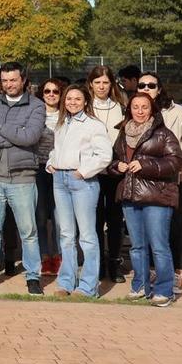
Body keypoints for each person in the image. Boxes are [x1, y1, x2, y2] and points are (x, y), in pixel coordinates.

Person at [0, 62, 46, 295]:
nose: (8, 85)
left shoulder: (36, 105)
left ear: (23, 79)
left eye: (13, 80)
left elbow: (31, 136)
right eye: (4, 81)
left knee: (28, 231)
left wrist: (0, 127)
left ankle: (33, 276)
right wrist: (16, 134)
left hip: (22, 178)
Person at [112, 91, 182, 307]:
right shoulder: (123, 133)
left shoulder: (163, 133)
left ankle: (164, 290)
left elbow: (175, 161)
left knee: (159, 246)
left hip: (157, 197)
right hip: (130, 195)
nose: (140, 111)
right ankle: (140, 285)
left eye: (144, 107)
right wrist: (118, 166)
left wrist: (146, 165)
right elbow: (114, 159)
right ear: (129, 109)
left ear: (152, 109)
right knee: (137, 246)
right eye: (135, 107)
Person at [137, 72, 182, 297]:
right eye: (142, 85)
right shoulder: (136, 112)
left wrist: (175, 162)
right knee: (148, 228)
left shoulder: (176, 112)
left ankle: (177, 271)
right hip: (145, 180)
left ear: (160, 88)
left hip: (172, 179)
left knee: (173, 225)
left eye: (151, 85)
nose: (146, 88)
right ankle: (156, 271)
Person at [45, 83, 112, 298]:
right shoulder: (62, 124)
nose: (72, 102)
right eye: (69, 98)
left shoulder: (93, 125)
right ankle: (66, 282)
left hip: (82, 182)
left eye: (77, 99)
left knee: (87, 235)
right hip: (60, 180)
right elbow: (56, 150)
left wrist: (83, 171)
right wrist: (51, 163)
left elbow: (104, 155)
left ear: (85, 101)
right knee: (65, 234)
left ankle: (88, 286)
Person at [88, 65, 127, 283]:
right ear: (91, 84)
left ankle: (114, 261)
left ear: (111, 84)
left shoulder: (120, 106)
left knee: (114, 219)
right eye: (97, 82)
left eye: (105, 82)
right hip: (92, 171)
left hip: (114, 171)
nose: (101, 86)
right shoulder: (85, 106)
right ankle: (98, 263)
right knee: (94, 220)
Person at [35, 78, 64, 276]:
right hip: (38, 168)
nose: (51, 94)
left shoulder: (66, 115)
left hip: (60, 170)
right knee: (40, 216)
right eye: (47, 91)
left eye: (55, 91)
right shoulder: (35, 115)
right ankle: (45, 256)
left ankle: (60, 256)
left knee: (59, 218)